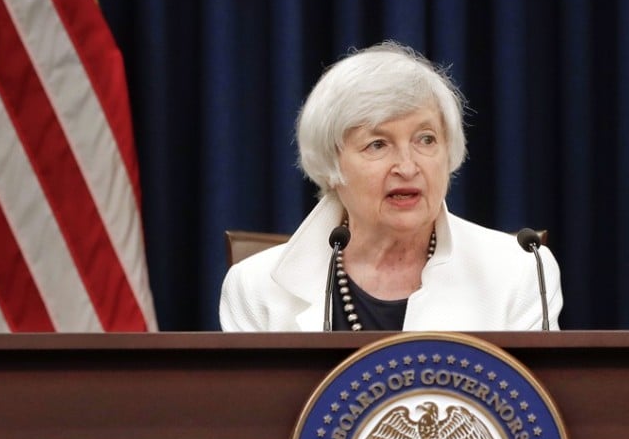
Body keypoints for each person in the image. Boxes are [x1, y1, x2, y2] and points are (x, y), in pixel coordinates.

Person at [219, 41, 562, 331]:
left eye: (426, 140)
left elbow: (527, 407)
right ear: (331, 166)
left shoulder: (520, 272)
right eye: (378, 145)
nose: (408, 167)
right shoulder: (256, 288)